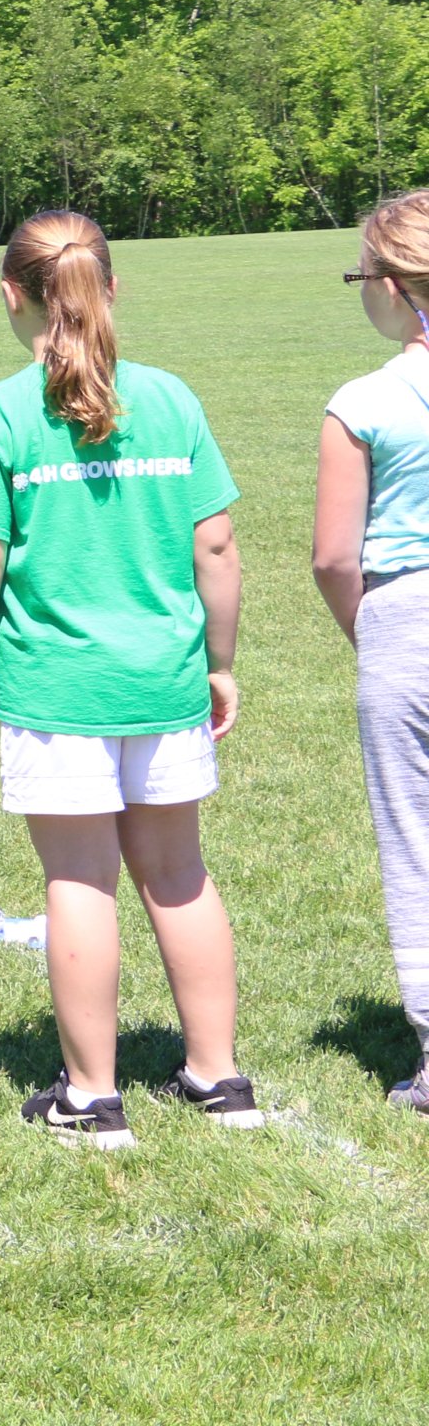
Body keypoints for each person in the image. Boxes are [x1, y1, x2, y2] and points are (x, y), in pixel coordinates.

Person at [0, 211, 255, 1146]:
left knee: (80, 881)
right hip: (164, 680)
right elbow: (218, 545)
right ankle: (217, 1077)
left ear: (11, 295)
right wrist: (220, 663)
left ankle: (92, 1096)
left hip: (59, 688)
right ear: (111, 287)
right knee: (179, 873)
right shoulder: (171, 399)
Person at [314, 188, 429, 1115]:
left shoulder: (364, 402)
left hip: (407, 618)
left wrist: (370, 631)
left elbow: (332, 555)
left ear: (393, 287)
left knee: (416, 843)